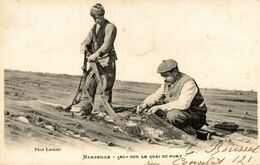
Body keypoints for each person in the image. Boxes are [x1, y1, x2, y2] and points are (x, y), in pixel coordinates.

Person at [137, 59, 207, 134]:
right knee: (152, 110)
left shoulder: (188, 82)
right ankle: (169, 128)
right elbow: (156, 95)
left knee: (173, 115)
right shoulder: (168, 82)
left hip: (195, 117)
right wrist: (145, 103)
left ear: (175, 72)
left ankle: (189, 130)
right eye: (162, 76)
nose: (164, 79)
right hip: (180, 112)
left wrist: (159, 107)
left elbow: (183, 104)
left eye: (166, 76)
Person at [80, 3, 117, 116]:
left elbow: (107, 45)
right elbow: (87, 40)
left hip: (107, 61)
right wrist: (83, 46)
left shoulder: (110, 27)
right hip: (95, 63)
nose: (97, 20)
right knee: (89, 85)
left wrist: (96, 54)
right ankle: (85, 110)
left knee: (105, 87)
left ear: (103, 15)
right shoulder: (94, 27)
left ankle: (104, 113)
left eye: (99, 17)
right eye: (95, 18)